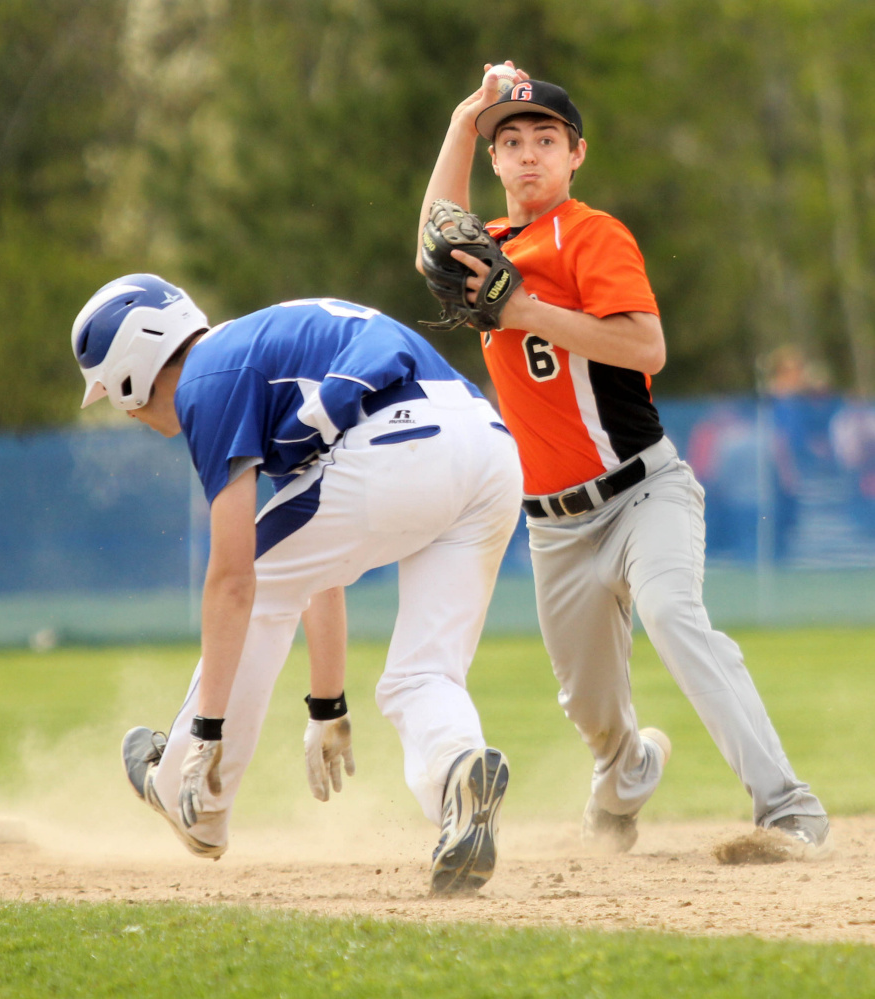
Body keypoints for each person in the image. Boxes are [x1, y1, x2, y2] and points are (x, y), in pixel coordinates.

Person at [415, 67, 829, 853]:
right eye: (509, 142)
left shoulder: (592, 234)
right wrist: (462, 117)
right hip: (553, 528)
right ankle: (627, 775)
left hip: (644, 494)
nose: (527, 155)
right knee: (592, 711)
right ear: (492, 161)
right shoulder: (486, 249)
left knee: (676, 617)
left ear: (576, 156)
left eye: (545, 140)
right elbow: (433, 235)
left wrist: (526, 309)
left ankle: (786, 807)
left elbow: (647, 346)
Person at [70, 275, 521, 892]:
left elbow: (234, 581)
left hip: (402, 443)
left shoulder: (206, 381)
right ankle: (457, 772)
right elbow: (317, 563)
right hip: (489, 450)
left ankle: (191, 795)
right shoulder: (251, 350)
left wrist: (207, 732)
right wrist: (326, 703)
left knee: (255, 583)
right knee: (423, 672)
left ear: (129, 371)